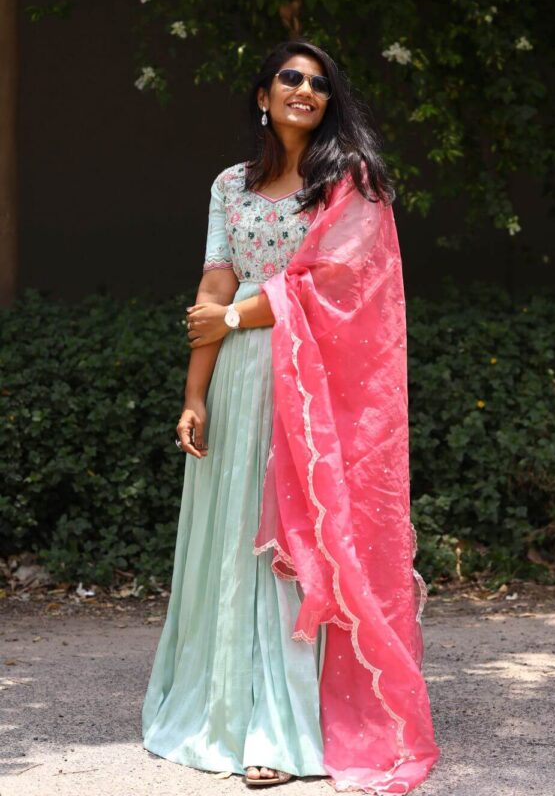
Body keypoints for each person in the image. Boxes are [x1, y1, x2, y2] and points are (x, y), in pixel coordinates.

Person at [141, 39, 440, 794]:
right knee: (233, 547)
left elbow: (339, 291)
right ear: (263, 96)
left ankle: (281, 725)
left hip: (313, 392)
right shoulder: (231, 186)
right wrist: (194, 393)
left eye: (319, 83)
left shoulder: (351, 183)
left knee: (294, 546)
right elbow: (213, 293)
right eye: (290, 78)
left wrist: (236, 320)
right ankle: (222, 711)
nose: (306, 90)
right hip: (242, 383)